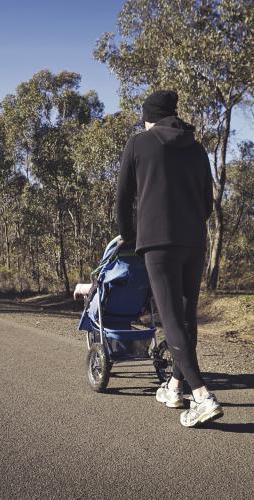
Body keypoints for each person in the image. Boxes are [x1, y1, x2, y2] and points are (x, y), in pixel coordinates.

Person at [116, 90, 224, 427]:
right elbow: (208, 203)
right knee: (186, 317)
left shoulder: (139, 143)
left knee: (172, 319)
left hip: (157, 243)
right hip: (193, 241)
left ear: (149, 117)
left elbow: (123, 199)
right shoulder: (197, 147)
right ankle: (175, 386)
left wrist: (131, 236)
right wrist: (190, 226)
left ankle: (203, 395)